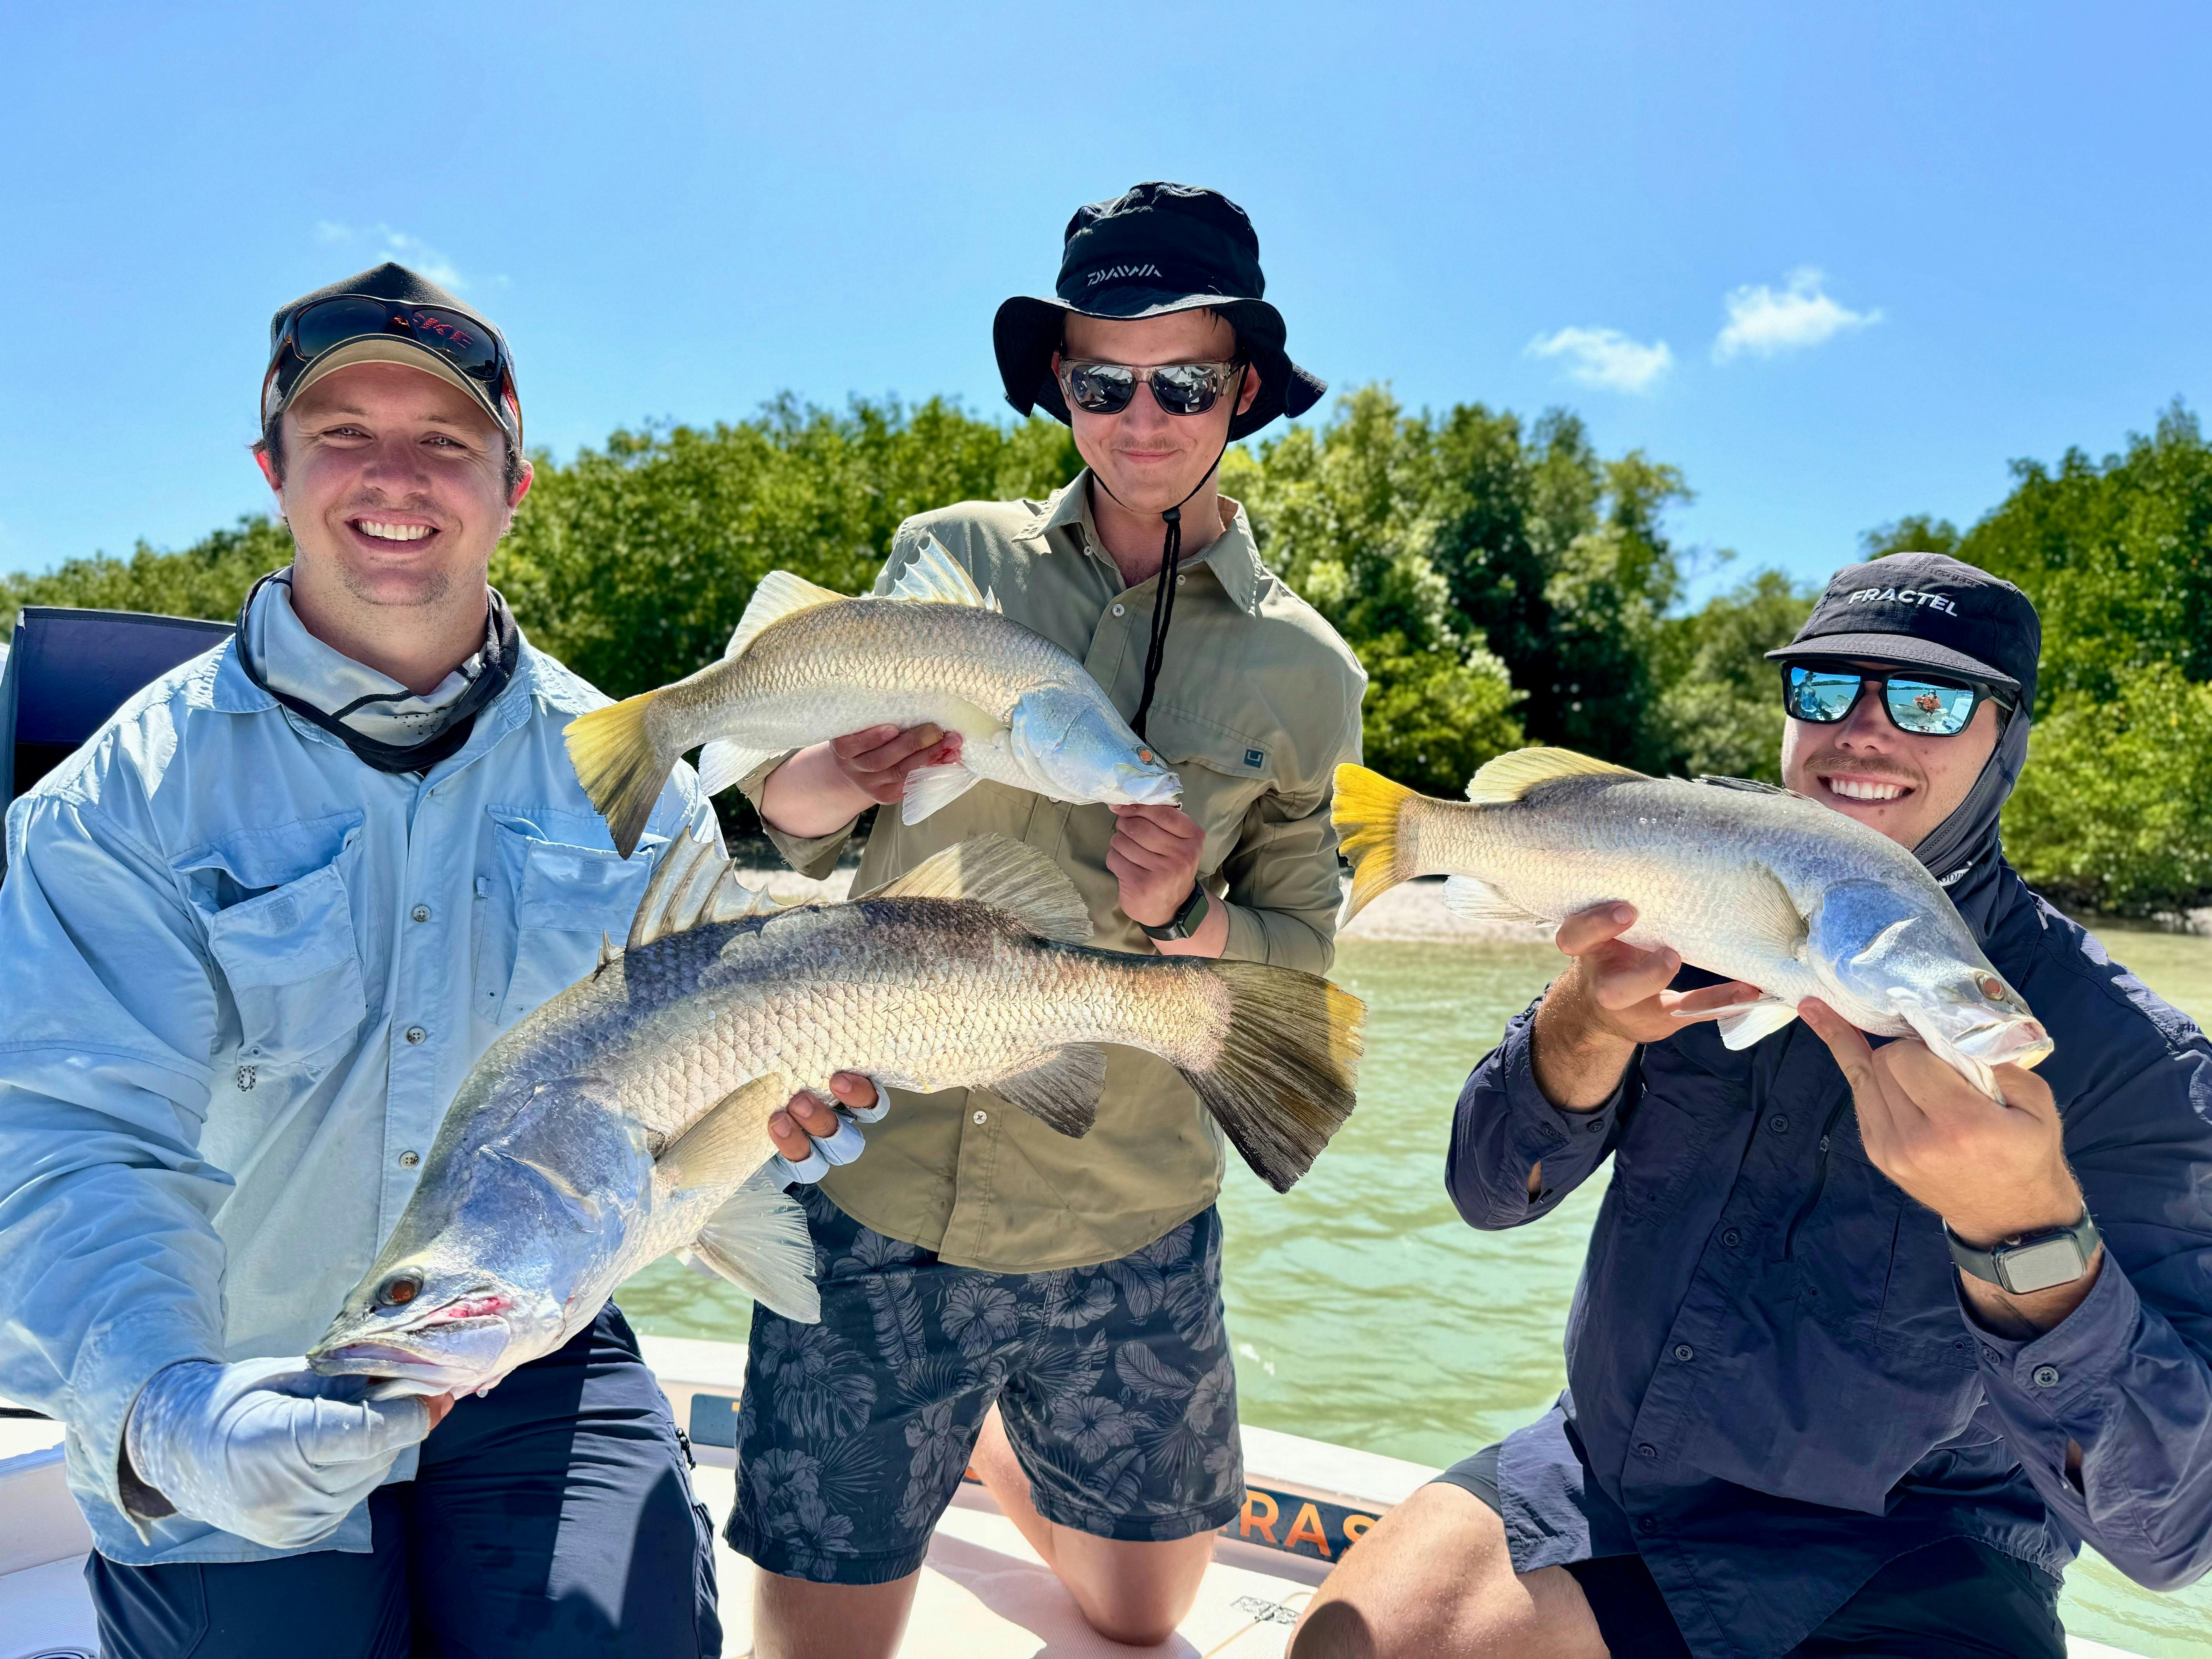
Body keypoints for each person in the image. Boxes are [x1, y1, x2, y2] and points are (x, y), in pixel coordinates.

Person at [0, 263, 848, 1657]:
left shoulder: (638, 777)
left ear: (514, 483)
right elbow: (70, 1146)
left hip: (538, 1346)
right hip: (226, 1367)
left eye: (447, 441)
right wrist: (169, 1412)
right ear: (272, 468)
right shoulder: (114, 803)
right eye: (344, 435)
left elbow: (705, 1105)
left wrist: (770, 1138)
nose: (396, 475)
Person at [1295, 553, 2212, 1659]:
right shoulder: (1687, 890)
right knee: (1348, 1646)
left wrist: (2029, 1234)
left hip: (1923, 1551)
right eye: (1825, 689)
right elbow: (1489, 1194)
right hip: (1611, 1480)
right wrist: (1578, 1025)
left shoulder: (2133, 1058)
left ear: (2004, 735)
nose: (1864, 731)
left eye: (1929, 699)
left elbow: (2171, 1532)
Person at [727, 181, 1365, 1657]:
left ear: (1244, 388)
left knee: (1142, 1617)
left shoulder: (1309, 671)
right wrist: (825, 776)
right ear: (1061, 383)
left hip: (1129, 1206)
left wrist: (1184, 909)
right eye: (1102, 379)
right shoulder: (946, 560)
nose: (1143, 418)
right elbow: (796, 814)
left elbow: (1303, 956)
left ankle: (985, 1454)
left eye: (1186, 381)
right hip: (879, 1178)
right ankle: (939, 1440)